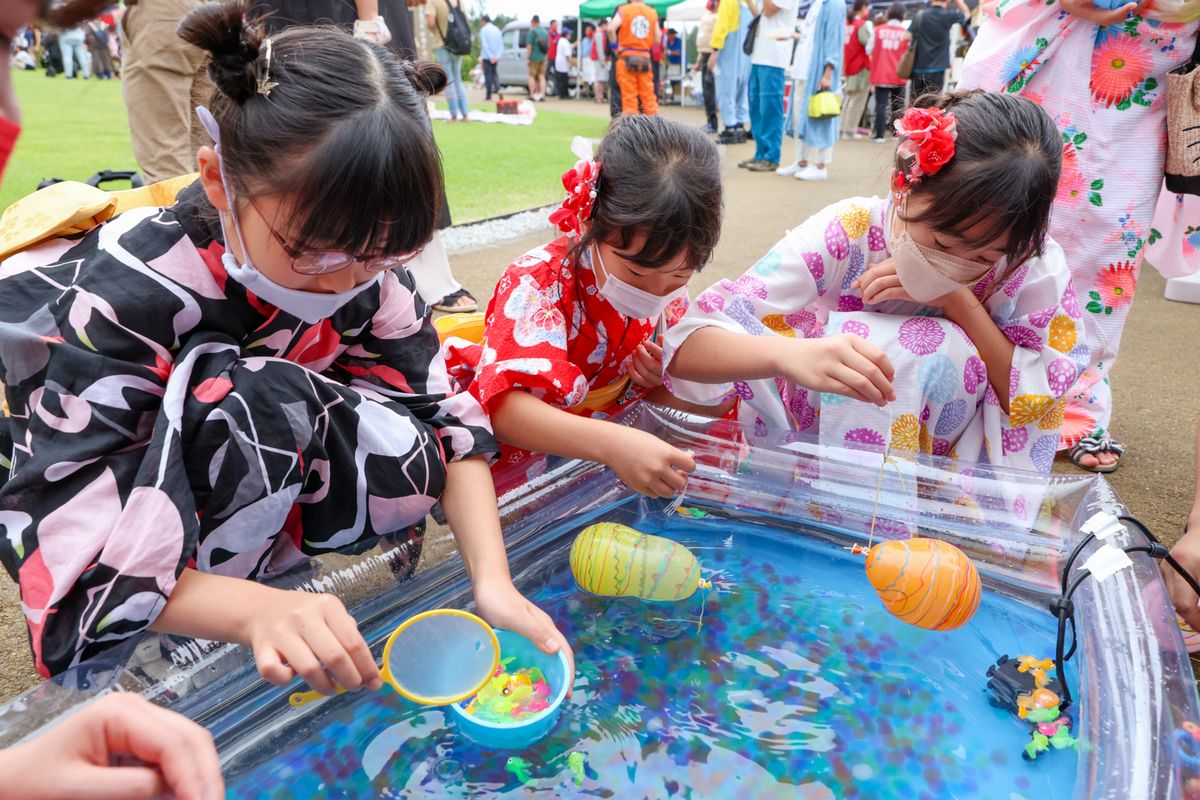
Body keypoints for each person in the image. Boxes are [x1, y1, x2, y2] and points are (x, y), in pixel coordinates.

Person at [0, 0, 571, 691]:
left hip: (250, 472)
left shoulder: (363, 270)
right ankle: (173, 630)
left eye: (384, 253)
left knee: (393, 438)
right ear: (218, 180)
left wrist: (493, 583)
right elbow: (62, 548)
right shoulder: (122, 297)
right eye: (315, 251)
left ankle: (271, 575)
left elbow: (447, 423)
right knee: (255, 398)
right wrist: (253, 614)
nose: (351, 279)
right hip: (127, 501)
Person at [667, 92, 1083, 477]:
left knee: (932, 348)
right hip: (819, 441)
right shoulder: (849, 231)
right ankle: (844, 500)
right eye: (941, 242)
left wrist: (959, 304)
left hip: (948, 461)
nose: (956, 263)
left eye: (983, 258)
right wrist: (794, 355)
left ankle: (913, 503)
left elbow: (1031, 401)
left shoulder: (1030, 266)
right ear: (902, 186)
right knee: (864, 344)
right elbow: (689, 344)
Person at [957, 1, 1198, 473]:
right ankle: (974, 371)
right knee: (1004, 208)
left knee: (1112, 238)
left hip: (1152, 59)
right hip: (1058, 38)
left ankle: (1076, 397)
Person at [442, 116, 721, 495]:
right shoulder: (538, 282)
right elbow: (505, 409)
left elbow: (665, 374)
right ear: (595, 222)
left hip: (608, 443)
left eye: (679, 277)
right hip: (536, 446)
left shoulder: (661, 278)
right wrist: (612, 443)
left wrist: (659, 374)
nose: (657, 293)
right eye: (637, 275)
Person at [777, 0, 845, 180]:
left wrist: (829, 72)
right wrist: (792, 35)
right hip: (802, 70)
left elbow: (834, 40)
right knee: (800, 119)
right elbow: (810, 37)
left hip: (817, 72)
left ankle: (821, 166)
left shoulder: (835, 5)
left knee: (823, 116)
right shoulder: (816, 4)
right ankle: (801, 161)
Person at [741, 0, 800, 171]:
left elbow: (769, 11)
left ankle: (771, 156)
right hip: (759, 55)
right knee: (757, 108)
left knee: (770, 109)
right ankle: (760, 153)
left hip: (774, 58)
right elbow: (759, 13)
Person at [709, 0, 757, 143]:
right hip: (746, 50)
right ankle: (740, 127)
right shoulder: (751, 3)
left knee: (726, 89)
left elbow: (721, 25)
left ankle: (730, 127)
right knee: (742, 88)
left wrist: (714, 49)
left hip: (729, 47)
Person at [908, 0, 970, 99]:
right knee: (933, 103)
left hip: (918, 67)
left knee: (916, 103)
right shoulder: (948, 16)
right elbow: (967, 15)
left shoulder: (920, 15)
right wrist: (958, 1)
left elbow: (906, 37)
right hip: (938, 68)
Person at [868, 2, 910, 143]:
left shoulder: (878, 30)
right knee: (898, 105)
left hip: (881, 73)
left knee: (881, 105)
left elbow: (868, 49)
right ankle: (896, 135)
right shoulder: (905, 33)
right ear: (903, 16)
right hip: (899, 74)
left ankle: (879, 135)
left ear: (889, 14)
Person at [610, 0, 660, 115]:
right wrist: (644, 46)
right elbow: (657, 38)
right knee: (649, 98)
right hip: (645, 58)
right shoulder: (652, 12)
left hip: (626, 57)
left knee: (629, 98)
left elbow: (611, 29)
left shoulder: (623, 9)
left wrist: (615, 47)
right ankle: (655, 128)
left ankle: (631, 129)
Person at [427, 0, 470, 121]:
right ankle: (465, 113)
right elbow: (466, 22)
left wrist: (437, 29)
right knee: (457, 80)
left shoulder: (434, 2)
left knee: (449, 80)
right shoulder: (459, 2)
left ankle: (453, 115)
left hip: (442, 45)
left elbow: (430, 22)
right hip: (458, 45)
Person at [840, 0, 872, 139]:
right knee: (857, 100)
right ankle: (850, 130)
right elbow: (869, 45)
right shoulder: (861, 25)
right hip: (860, 67)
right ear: (863, 8)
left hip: (848, 66)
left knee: (848, 99)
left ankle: (842, 128)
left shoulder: (847, 24)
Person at [696, 0, 719, 132]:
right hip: (705, 54)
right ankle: (710, 121)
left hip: (712, 55)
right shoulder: (706, 16)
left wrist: (714, 54)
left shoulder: (719, 16)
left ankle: (713, 123)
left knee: (709, 89)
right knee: (706, 90)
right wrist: (699, 60)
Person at [479, 13, 502, 100]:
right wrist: (497, 56)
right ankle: (498, 88)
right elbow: (501, 45)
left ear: (483, 21)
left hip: (487, 57)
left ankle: (488, 95)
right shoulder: (497, 29)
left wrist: (490, 56)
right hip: (496, 57)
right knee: (494, 74)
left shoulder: (484, 30)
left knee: (488, 75)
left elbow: (485, 45)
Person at [527, 14, 549, 101]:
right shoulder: (545, 32)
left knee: (532, 76)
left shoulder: (532, 32)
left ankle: (531, 94)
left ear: (533, 22)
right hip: (543, 57)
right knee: (542, 76)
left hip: (534, 57)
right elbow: (547, 46)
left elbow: (529, 46)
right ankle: (542, 95)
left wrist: (528, 57)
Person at [591, 20, 609, 103]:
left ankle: (600, 97)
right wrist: (602, 60)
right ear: (603, 25)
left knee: (601, 79)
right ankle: (598, 97)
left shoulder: (600, 33)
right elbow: (599, 48)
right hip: (598, 59)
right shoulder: (599, 33)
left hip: (599, 59)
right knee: (598, 79)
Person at [555, 29, 574, 99]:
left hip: (559, 64)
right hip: (563, 64)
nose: (570, 36)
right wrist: (571, 64)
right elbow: (567, 55)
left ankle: (560, 94)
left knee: (560, 80)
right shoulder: (565, 42)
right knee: (564, 80)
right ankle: (563, 95)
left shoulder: (561, 41)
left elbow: (571, 46)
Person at [547, 18, 561, 95]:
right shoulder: (548, 34)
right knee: (546, 74)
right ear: (551, 26)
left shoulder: (558, 35)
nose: (556, 27)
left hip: (556, 58)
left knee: (558, 75)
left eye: (557, 25)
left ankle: (558, 91)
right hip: (549, 57)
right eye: (555, 25)